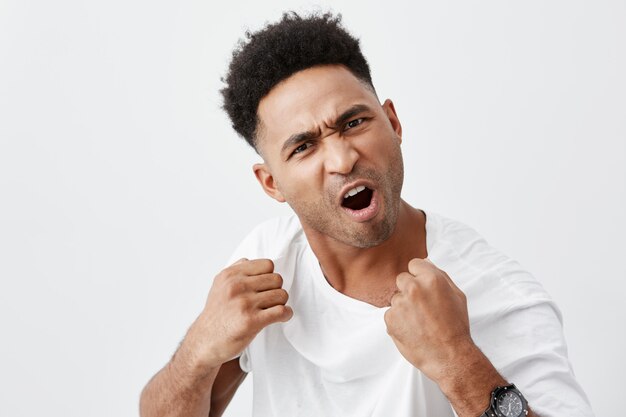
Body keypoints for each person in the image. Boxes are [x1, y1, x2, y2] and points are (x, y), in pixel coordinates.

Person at [139, 12, 594, 417]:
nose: (341, 159)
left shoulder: (497, 293)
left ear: (393, 123)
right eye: (303, 146)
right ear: (271, 183)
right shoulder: (266, 263)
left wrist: (460, 362)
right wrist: (198, 349)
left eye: (354, 123)